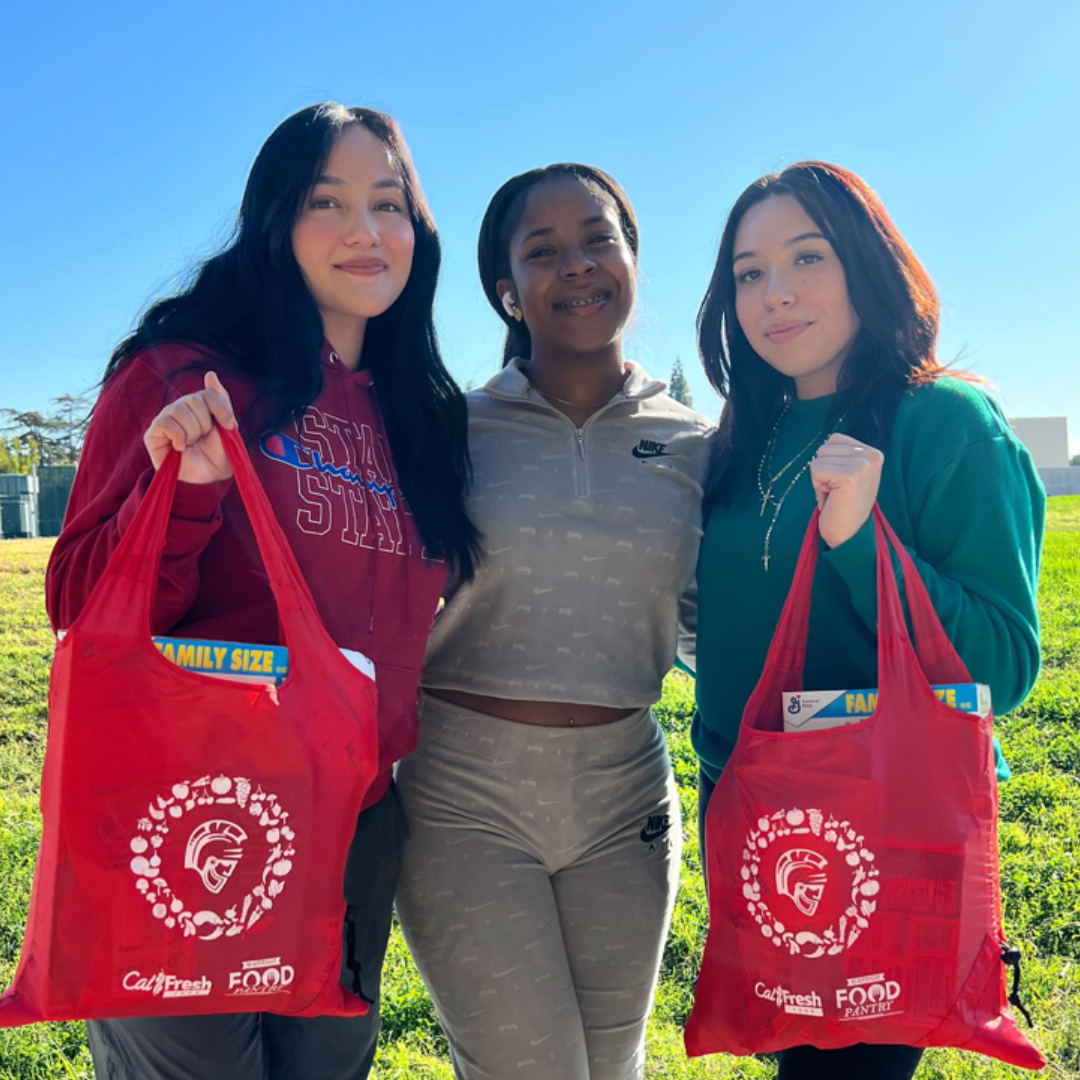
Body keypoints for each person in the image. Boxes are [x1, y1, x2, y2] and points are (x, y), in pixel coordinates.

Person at [45, 102, 478, 1080]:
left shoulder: (424, 417)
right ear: (275, 220)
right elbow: (80, 603)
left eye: (391, 202)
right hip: (186, 813)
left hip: (355, 825)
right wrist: (186, 496)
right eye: (329, 202)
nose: (367, 232)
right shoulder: (186, 374)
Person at [689, 160, 1045, 1080]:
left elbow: (1003, 662)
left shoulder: (945, 420)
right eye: (749, 272)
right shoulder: (745, 435)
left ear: (868, 264)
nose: (776, 294)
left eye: (808, 257)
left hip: (890, 825)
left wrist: (860, 543)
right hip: (757, 816)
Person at [394, 164, 713, 1080]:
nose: (576, 264)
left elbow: (705, 622)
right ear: (506, 288)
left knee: (612, 1068)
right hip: (463, 798)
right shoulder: (445, 430)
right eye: (542, 250)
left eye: (597, 239)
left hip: (625, 799)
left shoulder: (696, 444)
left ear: (633, 260)